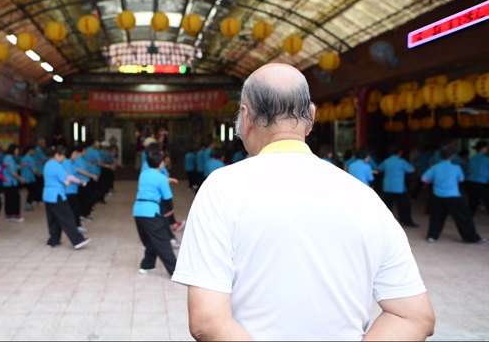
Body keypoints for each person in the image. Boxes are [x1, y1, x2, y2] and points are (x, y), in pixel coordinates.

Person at [172, 63, 435, 340]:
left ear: (245, 117)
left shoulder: (221, 188)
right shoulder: (364, 196)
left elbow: (207, 322)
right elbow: (415, 316)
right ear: (311, 117)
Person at [422, 145, 487, 244]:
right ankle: (472, 238)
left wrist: (434, 181)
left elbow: (424, 179)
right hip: (453, 196)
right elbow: (461, 179)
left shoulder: (435, 167)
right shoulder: (456, 167)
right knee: (463, 218)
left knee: (436, 217)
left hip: (437, 196)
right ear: (452, 156)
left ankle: (432, 236)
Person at [133, 149, 177, 276]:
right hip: (151, 211)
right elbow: (167, 198)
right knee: (162, 241)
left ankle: (147, 265)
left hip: (138, 210)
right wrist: (170, 211)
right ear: (161, 163)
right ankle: (175, 271)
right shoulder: (161, 178)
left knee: (151, 240)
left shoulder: (143, 174)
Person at [42, 145, 91, 249]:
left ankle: (52, 241)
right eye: (62, 156)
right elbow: (67, 182)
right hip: (57, 195)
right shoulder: (57, 165)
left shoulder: (47, 164)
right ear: (57, 155)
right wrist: (68, 179)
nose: (64, 158)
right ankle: (77, 240)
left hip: (48, 195)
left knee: (53, 219)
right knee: (68, 218)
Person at [377, 145, 418, 228]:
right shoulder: (401, 161)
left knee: (386, 206)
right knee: (404, 206)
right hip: (399, 188)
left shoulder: (386, 161)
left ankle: (382, 222)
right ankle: (406, 221)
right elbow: (412, 170)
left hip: (387, 187)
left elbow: (379, 169)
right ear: (399, 153)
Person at [2, 143, 25, 223]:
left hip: (9, 183)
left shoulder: (9, 158)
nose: (18, 152)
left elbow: (13, 167)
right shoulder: (9, 158)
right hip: (10, 182)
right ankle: (14, 215)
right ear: (14, 150)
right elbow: (12, 171)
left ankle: (9, 214)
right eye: (17, 150)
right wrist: (20, 178)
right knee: (14, 199)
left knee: (10, 199)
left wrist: (21, 165)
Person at [465, 140, 489, 216]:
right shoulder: (487, 159)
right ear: (483, 148)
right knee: (487, 201)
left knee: (472, 202)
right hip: (482, 182)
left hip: (470, 182)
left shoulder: (472, 158)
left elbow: (468, 171)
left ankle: (468, 219)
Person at [20, 145, 39, 212]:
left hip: (24, 177)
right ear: (29, 150)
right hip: (29, 178)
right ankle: (28, 203)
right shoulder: (30, 158)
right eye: (33, 150)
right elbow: (34, 169)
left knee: (32, 191)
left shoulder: (24, 158)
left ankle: (28, 203)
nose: (34, 152)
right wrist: (39, 175)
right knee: (34, 191)